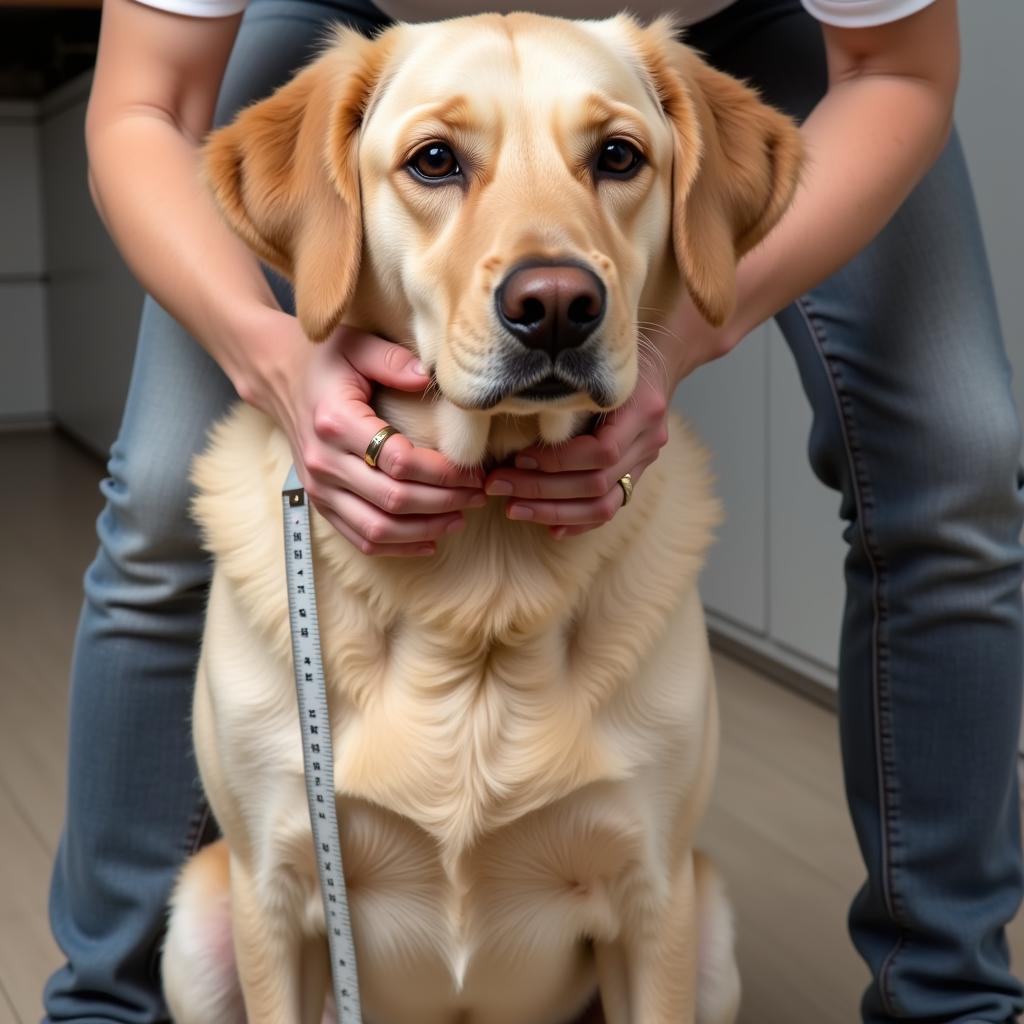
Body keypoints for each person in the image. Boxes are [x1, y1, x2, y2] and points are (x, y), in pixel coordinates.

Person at [43, 0, 1024, 1021]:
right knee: (162, 488)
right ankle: (106, 1004)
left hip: (739, 29)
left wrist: (676, 340)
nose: (546, 280)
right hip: (350, 33)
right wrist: (267, 348)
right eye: (434, 163)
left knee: (957, 451)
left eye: (609, 158)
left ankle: (950, 998)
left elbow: (896, 70)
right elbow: (143, 103)